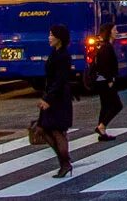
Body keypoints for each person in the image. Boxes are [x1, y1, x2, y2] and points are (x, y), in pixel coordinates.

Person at [38, 25, 74, 178]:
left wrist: (48, 99)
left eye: (51, 35)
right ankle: (64, 161)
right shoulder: (56, 52)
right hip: (53, 96)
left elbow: (60, 80)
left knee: (56, 130)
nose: (49, 37)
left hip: (58, 99)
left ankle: (65, 163)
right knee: (45, 129)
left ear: (59, 38)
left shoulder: (63, 55)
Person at [93, 22, 122, 141]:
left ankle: (102, 131)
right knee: (117, 105)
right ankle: (102, 126)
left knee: (105, 106)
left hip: (102, 81)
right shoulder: (106, 47)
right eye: (115, 30)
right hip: (105, 81)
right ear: (109, 32)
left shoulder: (105, 46)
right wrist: (110, 79)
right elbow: (104, 65)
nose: (117, 32)